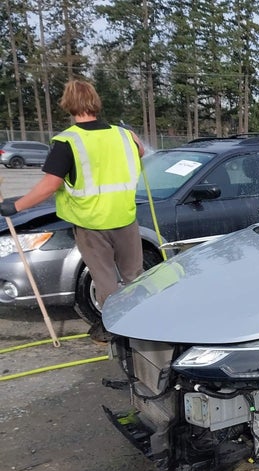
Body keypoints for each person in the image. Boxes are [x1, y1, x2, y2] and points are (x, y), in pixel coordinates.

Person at [0, 79, 145, 343]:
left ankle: (115, 330)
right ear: (95, 102)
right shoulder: (123, 135)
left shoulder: (67, 141)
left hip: (91, 223)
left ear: (68, 104)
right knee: (134, 275)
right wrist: (130, 136)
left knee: (105, 281)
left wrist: (15, 206)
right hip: (125, 217)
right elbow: (141, 151)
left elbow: (50, 185)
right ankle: (143, 324)